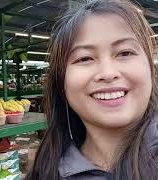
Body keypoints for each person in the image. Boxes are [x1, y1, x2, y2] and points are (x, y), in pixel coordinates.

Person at [26, 1, 158, 180]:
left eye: (125, 53)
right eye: (85, 58)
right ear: (61, 82)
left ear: (150, 68)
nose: (108, 73)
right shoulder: (45, 172)